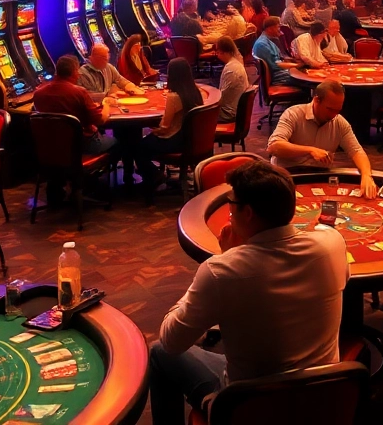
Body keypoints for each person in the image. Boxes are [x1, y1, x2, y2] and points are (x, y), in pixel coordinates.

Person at [148, 160, 347, 425]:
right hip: (324, 400)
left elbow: (172, 340)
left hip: (248, 408)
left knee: (159, 351)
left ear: (249, 213)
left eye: (231, 204)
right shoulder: (333, 244)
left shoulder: (221, 271)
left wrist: (225, 257)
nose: (229, 211)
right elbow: (321, 233)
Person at [268, 80, 377, 197]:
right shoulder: (293, 114)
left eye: (337, 110)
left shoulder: (339, 122)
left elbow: (357, 151)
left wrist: (366, 175)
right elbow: (274, 147)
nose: (334, 115)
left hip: (320, 176)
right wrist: (310, 150)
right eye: (330, 109)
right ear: (316, 100)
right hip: (287, 176)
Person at [137, 58, 204, 187]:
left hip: (174, 141)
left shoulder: (173, 97)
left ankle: (154, 176)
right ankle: (154, 175)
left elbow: (164, 127)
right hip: (191, 140)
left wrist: (151, 129)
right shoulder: (195, 91)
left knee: (137, 147)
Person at [34, 54, 114, 158]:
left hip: (52, 148)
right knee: (116, 139)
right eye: (77, 71)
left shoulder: (38, 94)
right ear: (73, 72)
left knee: (102, 133)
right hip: (83, 146)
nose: (79, 74)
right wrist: (106, 104)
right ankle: (119, 167)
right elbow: (100, 120)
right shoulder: (79, 92)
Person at [252, 18, 298, 85]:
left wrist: (294, 61)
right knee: (305, 78)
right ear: (270, 29)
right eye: (278, 27)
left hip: (279, 73)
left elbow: (280, 58)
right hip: (276, 77)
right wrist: (297, 65)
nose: (280, 30)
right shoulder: (262, 45)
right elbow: (275, 66)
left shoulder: (268, 41)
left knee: (304, 72)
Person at [215, 36, 249, 124]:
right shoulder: (236, 63)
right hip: (236, 109)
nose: (217, 54)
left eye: (217, 51)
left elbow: (221, 98)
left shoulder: (231, 69)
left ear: (221, 51)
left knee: (196, 116)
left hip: (228, 114)